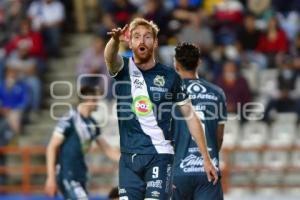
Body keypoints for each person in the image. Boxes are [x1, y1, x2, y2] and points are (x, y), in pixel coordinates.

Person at [104, 17, 217, 200]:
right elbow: (109, 58)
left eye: (147, 37)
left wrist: (206, 157)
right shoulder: (123, 69)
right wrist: (115, 40)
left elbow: (190, 116)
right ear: (130, 43)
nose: (142, 40)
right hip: (128, 159)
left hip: (159, 155)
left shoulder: (170, 76)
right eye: (137, 37)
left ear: (155, 42)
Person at [172, 43, 227, 200]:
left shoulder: (169, 94)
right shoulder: (217, 93)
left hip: (177, 171)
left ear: (176, 64)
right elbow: (219, 137)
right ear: (199, 63)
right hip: (208, 170)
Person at [44, 86, 120, 200]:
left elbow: (107, 150)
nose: (98, 103)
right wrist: (50, 177)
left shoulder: (93, 123)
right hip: (67, 173)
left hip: (81, 174)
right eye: (95, 99)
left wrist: (127, 160)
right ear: (88, 99)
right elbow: (51, 147)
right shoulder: (70, 119)